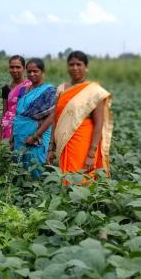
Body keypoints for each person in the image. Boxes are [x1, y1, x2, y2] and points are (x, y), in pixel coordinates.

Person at [47, 51, 113, 183]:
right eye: (71, 64)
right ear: (67, 67)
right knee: (64, 179)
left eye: (79, 64)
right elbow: (56, 119)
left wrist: (91, 154)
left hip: (82, 144)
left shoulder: (94, 91)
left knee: (81, 180)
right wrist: (50, 148)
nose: (75, 68)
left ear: (86, 67)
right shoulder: (61, 89)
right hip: (63, 143)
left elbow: (99, 123)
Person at [12, 58, 56, 178]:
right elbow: (18, 114)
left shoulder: (49, 90)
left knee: (35, 168)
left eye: (35, 71)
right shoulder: (23, 90)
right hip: (19, 134)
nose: (32, 74)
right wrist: (12, 136)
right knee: (19, 168)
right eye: (29, 71)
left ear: (42, 72)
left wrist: (35, 136)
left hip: (37, 136)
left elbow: (52, 116)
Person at [0, 55, 31, 140]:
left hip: (24, 129)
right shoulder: (6, 88)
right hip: (7, 128)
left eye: (18, 67)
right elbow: (5, 112)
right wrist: (0, 136)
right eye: (12, 67)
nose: (14, 70)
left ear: (24, 68)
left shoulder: (30, 87)